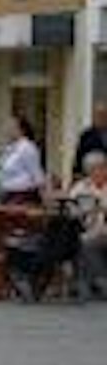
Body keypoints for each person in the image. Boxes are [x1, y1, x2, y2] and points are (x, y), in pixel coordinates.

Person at [70, 152, 107, 301]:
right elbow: (70, 207)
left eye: (99, 168)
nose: (96, 173)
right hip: (87, 229)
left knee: (88, 242)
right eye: (91, 170)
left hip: (103, 229)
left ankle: (99, 280)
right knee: (84, 241)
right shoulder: (81, 187)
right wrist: (80, 211)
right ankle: (96, 281)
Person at [0, 114, 47, 204]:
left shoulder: (27, 147)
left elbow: (36, 173)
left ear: (21, 130)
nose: (7, 130)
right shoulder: (9, 148)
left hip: (22, 194)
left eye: (11, 127)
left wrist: (43, 195)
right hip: (6, 192)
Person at [74, 105, 107, 182]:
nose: (101, 117)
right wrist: (76, 174)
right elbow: (79, 155)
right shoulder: (86, 135)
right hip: (89, 176)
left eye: (104, 114)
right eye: (98, 115)